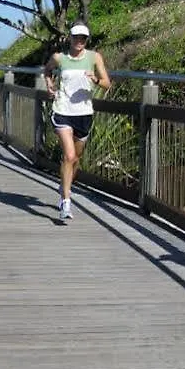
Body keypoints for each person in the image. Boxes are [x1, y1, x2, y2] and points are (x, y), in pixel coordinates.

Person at [44, 22, 111, 221]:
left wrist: (96, 79)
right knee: (69, 155)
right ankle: (66, 202)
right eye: (76, 37)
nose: (79, 41)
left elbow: (107, 83)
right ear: (70, 38)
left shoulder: (94, 57)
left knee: (76, 159)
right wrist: (50, 85)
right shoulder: (59, 58)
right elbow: (47, 70)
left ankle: (64, 185)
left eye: (83, 38)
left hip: (84, 113)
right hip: (62, 110)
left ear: (86, 40)